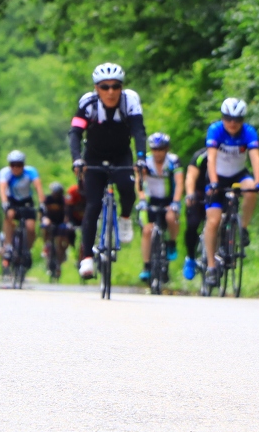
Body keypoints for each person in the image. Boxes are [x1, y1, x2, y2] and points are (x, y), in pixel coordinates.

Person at [71, 62, 147, 280]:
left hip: (121, 154)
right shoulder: (88, 104)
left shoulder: (130, 101)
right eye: (105, 87)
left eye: (115, 86)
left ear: (121, 87)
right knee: (93, 205)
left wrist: (141, 158)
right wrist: (77, 159)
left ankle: (124, 217)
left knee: (127, 187)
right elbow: (75, 133)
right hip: (93, 156)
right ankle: (86, 257)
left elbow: (138, 131)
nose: (111, 92)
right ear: (97, 88)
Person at [202, 97, 259, 289]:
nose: (232, 123)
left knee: (251, 189)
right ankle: (211, 266)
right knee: (213, 221)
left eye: (237, 120)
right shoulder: (215, 130)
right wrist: (213, 183)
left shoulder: (249, 132)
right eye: (228, 119)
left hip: (238, 174)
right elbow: (211, 159)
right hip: (216, 177)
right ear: (222, 118)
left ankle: (243, 227)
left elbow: (255, 158)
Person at [137, 132, 183, 282]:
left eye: (161, 149)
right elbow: (139, 182)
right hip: (151, 200)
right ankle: (146, 266)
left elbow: (179, 183)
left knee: (171, 217)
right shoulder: (145, 162)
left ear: (166, 149)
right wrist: (142, 199)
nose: (158, 153)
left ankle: (171, 243)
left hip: (169, 200)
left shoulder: (173, 161)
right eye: (155, 149)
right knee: (147, 230)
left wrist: (175, 202)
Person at [0, 150, 44, 269]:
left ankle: (27, 250)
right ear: (9, 165)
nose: (16, 168)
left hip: (26, 201)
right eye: (13, 165)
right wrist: (4, 202)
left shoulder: (30, 171)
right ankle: (8, 246)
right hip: (12, 200)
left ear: (23, 165)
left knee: (30, 228)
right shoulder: (5, 173)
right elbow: (2, 189)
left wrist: (42, 203)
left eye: (19, 165)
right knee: (9, 215)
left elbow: (38, 188)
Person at [41, 181, 83, 273]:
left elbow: (67, 211)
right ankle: (46, 245)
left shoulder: (64, 200)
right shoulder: (48, 199)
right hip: (50, 221)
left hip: (61, 222)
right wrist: (45, 219)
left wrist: (66, 221)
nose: (56, 195)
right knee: (45, 227)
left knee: (63, 236)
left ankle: (62, 255)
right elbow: (43, 211)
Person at [181, 148, 208, 281]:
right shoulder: (201, 155)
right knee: (192, 224)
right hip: (199, 194)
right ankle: (191, 258)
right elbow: (190, 177)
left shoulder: (233, 154)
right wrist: (190, 193)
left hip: (219, 193)